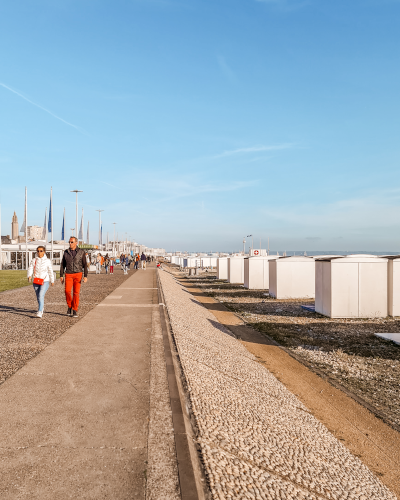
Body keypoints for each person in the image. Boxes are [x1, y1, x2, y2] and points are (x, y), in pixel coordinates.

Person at [60, 236, 88, 318]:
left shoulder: (81, 252)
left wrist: (85, 276)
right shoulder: (66, 252)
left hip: (78, 274)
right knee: (67, 291)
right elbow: (62, 264)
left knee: (76, 293)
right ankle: (69, 306)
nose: (70, 243)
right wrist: (61, 275)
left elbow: (85, 265)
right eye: (69, 242)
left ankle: (75, 309)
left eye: (72, 242)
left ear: (76, 243)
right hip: (68, 274)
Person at [27, 246, 55, 318]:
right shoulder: (34, 260)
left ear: (44, 252)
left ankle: (40, 311)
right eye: (38, 251)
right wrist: (29, 275)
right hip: (36, 280)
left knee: (40, 295)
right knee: (38, 296)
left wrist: (52, 280)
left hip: (45, 281)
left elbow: (50, 271)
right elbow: (30, 268)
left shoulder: (47, 261)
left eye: (41, 251)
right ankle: (41, 307)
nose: (39, 252)